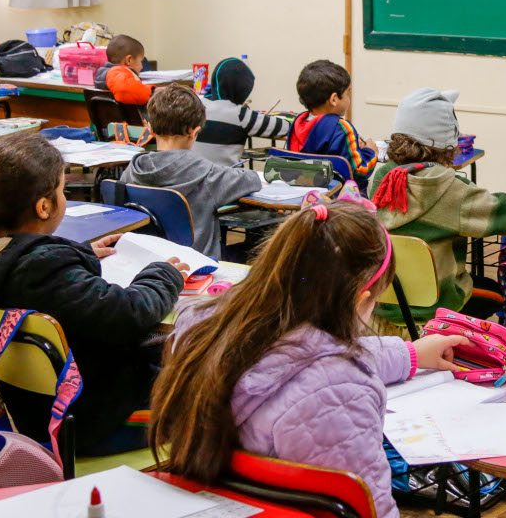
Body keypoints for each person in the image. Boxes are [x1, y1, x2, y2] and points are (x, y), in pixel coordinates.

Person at [150, 201, 469, 518]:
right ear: (361, 298)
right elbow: (369, 508)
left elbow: (303, 357)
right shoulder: (340, 391)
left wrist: (410, 353)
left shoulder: (212, 326)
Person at [0, 132, 187, 455]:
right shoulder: (43, 271)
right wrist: (163, 274)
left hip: (31, 414)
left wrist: (80, 253)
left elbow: (25, 270)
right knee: (210, 384)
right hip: (93, 422)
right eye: (63, 190)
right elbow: (129, 313)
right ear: (44, 206)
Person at [370, 87, 506, 320]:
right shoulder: (451, 188)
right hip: (437, 309)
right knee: (493, 293)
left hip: (380, 304)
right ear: (448, 141)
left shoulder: (381, 178)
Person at [120, 85, 261, 258]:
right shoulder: (209, 175)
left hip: (145, 264)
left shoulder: (132, 171)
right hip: (196, 268)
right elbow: (252, 180)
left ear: (150, 128)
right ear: (194, 132)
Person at [286, 59, 377, 191]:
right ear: (334, 99)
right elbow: (359, 172)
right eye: (347, 93)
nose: (349, 98)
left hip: (304, 195)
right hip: (339, 200)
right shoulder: (342, 128)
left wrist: (354, 148)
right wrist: (370, 151)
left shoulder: (298, 123)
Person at [194, 57, 291, 167]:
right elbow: (284, 127)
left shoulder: (196, 107)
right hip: (226, 179)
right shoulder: (240, 115)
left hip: (195, 178)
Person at [95, 34, 153, 106]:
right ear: (129, 60)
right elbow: (124, 89)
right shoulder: (115, 74)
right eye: (141, 61)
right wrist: (154, 92)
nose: (142, 66)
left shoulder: (105, 74)